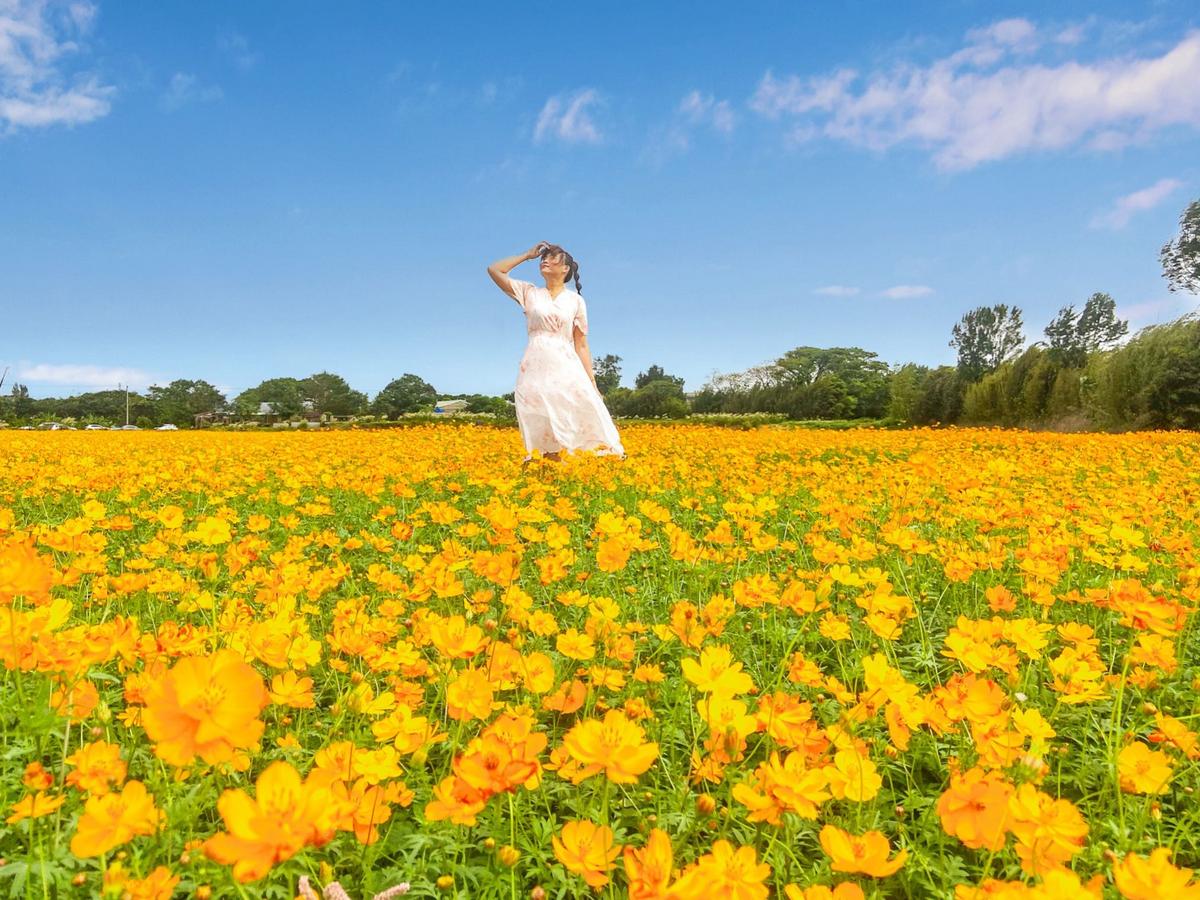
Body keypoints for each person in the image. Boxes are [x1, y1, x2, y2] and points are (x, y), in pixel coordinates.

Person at [487, 241, 626, 465]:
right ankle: (544, 466)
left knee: (573, 408)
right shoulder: (529, 292)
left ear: (565, 269)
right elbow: (495, 270)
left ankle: (582, 462)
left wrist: (592, 382)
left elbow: (581, 344)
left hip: (565, 363)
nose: (545, 260)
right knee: (539, 415)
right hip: (535, 364)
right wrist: (527, 255)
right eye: (544, 257)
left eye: (553, 258)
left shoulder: (576, 301)